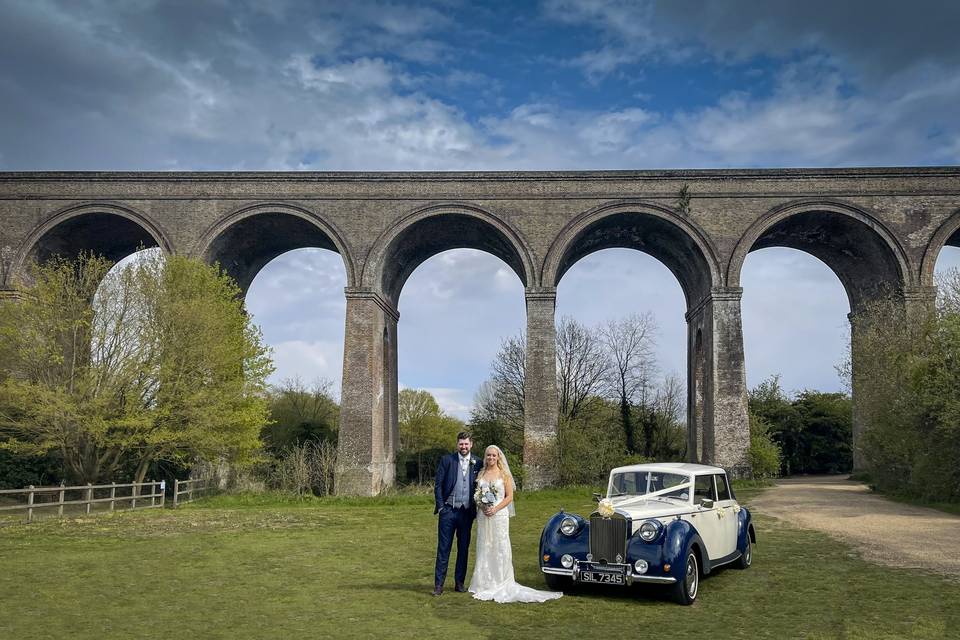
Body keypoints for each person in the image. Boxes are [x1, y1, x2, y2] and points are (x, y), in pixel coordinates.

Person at [468, 445, 563, 603]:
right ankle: (484, 581)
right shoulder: (481, 473)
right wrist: (482, 506)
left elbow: (509, 497)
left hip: (499, 516)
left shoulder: (504, 474)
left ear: (498, 457)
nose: (491, 458)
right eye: (488, 455)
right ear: (485, 457)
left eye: (493, 455)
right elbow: (478, 495)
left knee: (500, 546)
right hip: (484, 516)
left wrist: (495, 509)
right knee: (485, 545)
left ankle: (500, 581)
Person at [433, 431, 483, 596]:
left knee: (463, 549)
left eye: (466, 444)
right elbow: (438, 485)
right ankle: (439, 585)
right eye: (461, 444)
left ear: (471, 444)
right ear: (457, 445)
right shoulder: (447, 460)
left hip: (466, 513)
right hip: (448, 511)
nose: (463, 446)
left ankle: (459, 583)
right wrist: (441, 507)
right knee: (443, 549)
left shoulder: (478, 463)